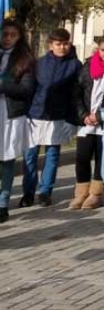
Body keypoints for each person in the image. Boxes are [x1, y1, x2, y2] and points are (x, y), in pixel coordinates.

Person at [22, 28, 80, 207]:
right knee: (30, 155)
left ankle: (45, 192)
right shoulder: (38, 63)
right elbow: (30, 89)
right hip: (35, 114)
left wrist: (71, 118)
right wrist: (26, 112)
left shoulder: (75, 65)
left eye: (65, 43)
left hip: (58, 116)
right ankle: (28, 193)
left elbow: (75, 94)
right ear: (51, 45)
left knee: (52, 155)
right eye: (58, 44)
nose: (62, 47)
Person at [69, 32, 104, 210]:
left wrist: (100, 115)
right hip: (86, 120)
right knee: (82, 156)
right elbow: (77, 93)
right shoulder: (87, 66)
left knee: (101, 157)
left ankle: (96, 193)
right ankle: (81, 192)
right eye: (102, 50)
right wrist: (83, 115)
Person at [0, 20, 35, 223]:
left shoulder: (25, 60)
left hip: (10, 114)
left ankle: (3, 203)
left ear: (19, 36)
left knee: (6, 160)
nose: (8, 38)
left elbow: (25, 90)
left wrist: (3, 85)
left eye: (13, 35)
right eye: (5, 34)